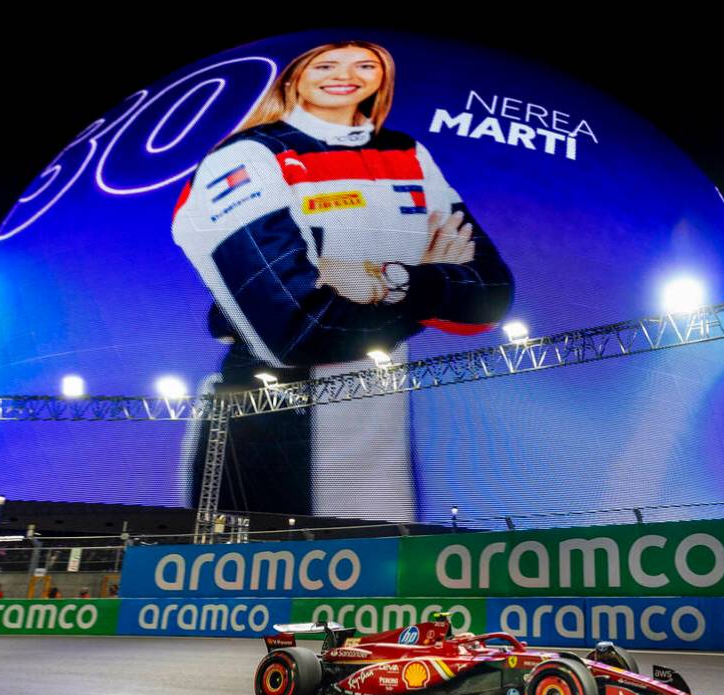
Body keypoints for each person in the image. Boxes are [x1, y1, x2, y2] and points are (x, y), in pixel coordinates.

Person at [172, 40, 514, 520]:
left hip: (379, 419)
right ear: (292, 76)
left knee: (382, 583)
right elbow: (298, 332)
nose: (345, 75)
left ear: (383, 76)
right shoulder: (246, 157)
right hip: (270, 416)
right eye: (326, 63)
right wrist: (432, 285)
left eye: (365, 64)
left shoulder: (408, 152)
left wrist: (386, 280)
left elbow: (490, 296)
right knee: (273, 583)